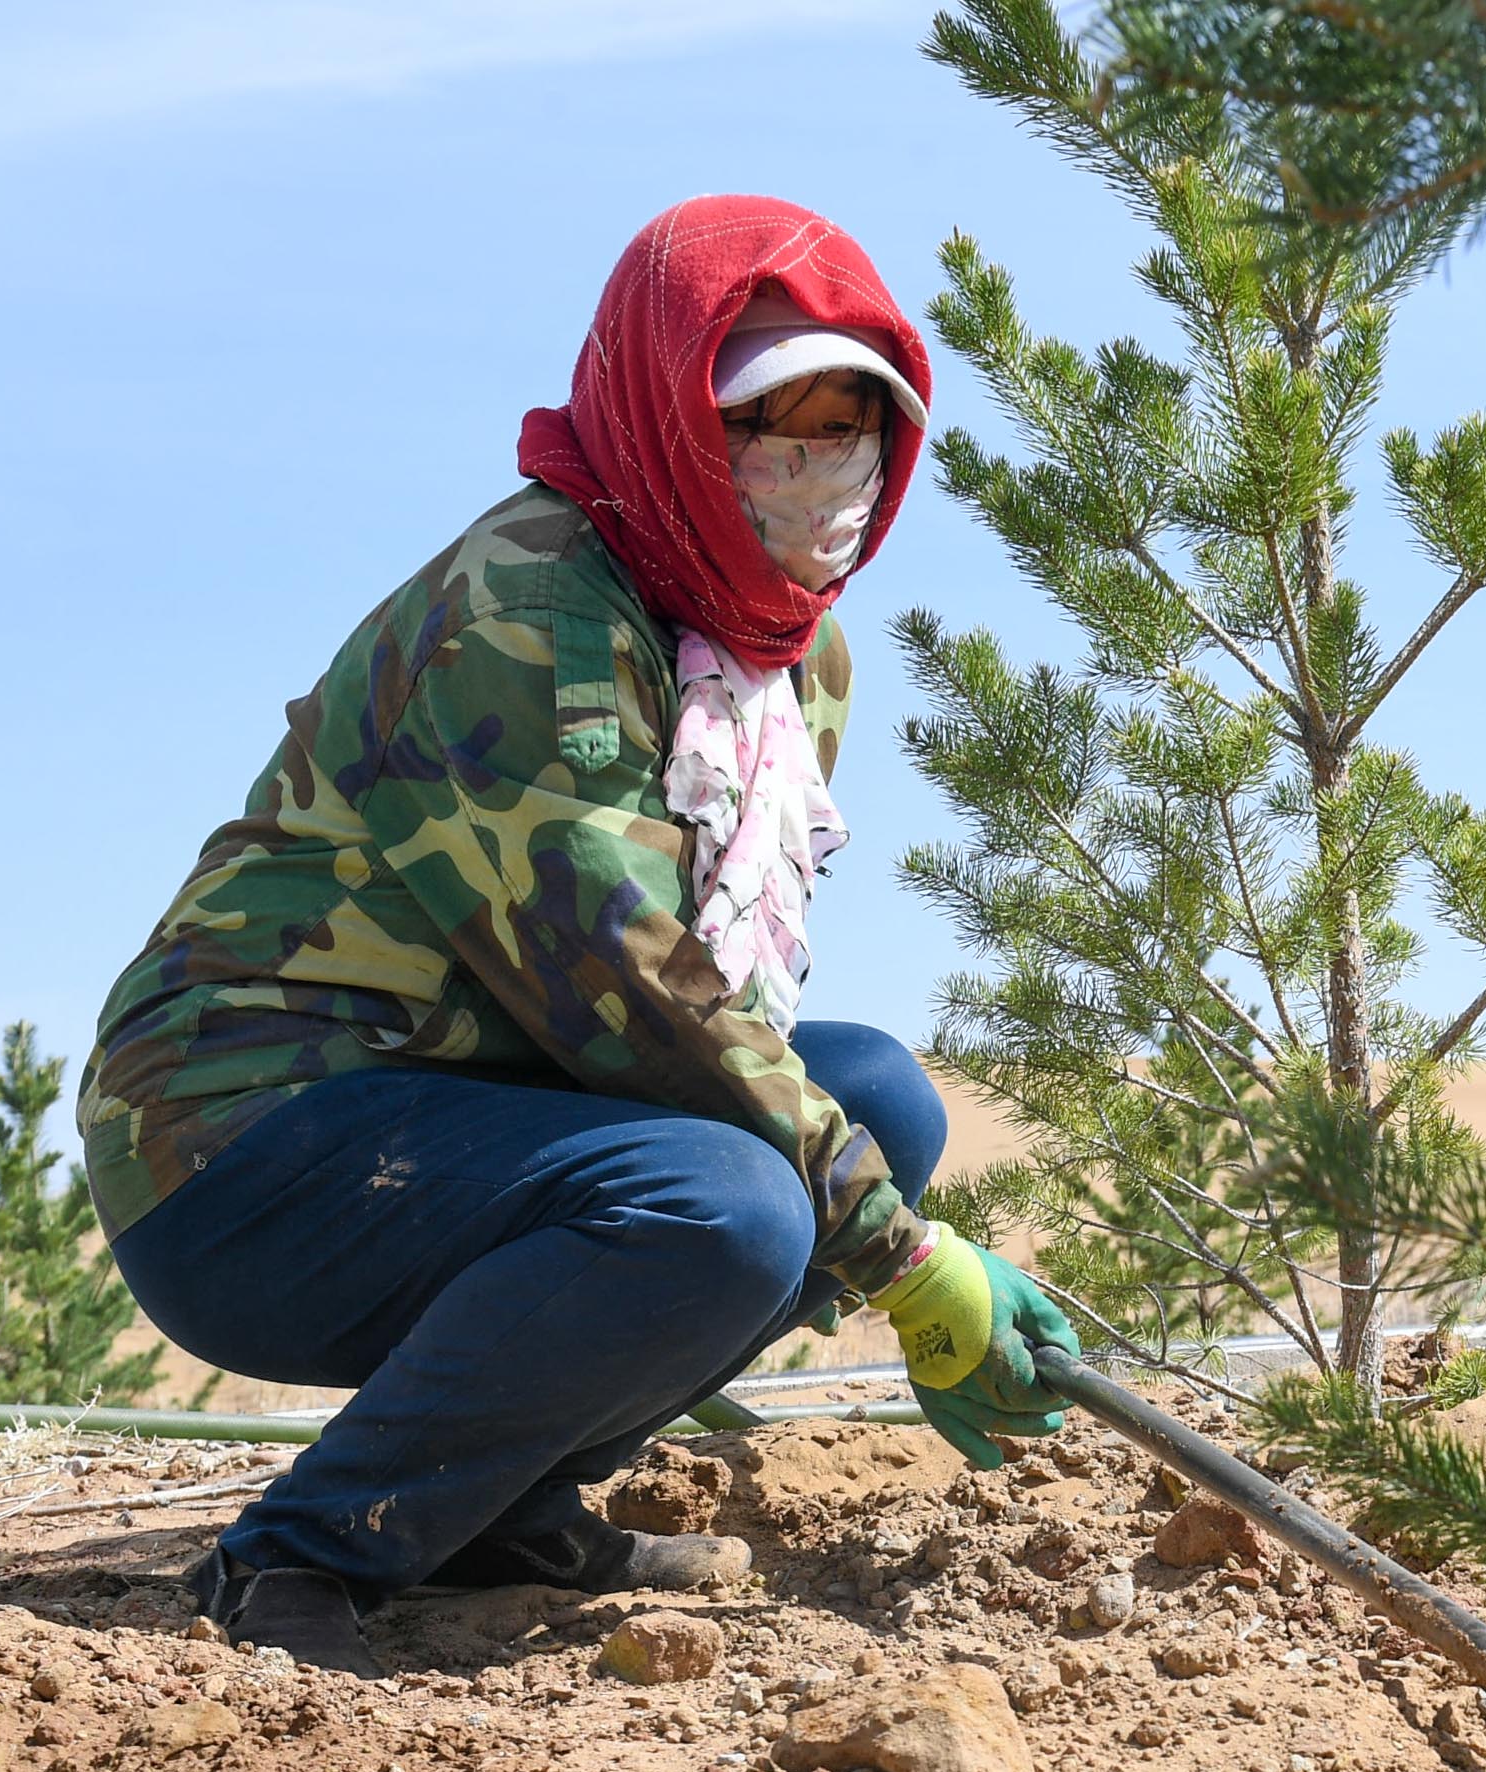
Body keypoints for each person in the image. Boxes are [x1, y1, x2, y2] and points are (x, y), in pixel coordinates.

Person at [79, 195, 1076, 1681]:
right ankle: (303, 1551)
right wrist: (899, 1254)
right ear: (672, 417)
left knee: (873, 1095)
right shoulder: (530, 609)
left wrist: (871, 1199)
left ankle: (492, 1508)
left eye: (847, 437)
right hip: (248, 1142)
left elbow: (720, 990)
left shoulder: (783, 659)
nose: (813, 481)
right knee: (731, 1208)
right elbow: (631, 990)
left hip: (474, 1104)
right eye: (764, 431)